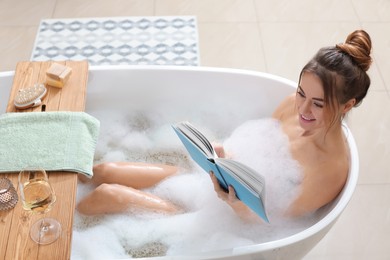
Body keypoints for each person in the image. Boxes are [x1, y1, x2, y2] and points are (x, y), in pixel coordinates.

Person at [77, 29, 372, 221]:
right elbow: (262, 139)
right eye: (301, 93)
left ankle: (57, 235)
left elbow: (270, 223)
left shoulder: (329, 170)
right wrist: (223, 159)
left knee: (108, 195)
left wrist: (230, 200)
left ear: (347, 106)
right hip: (210, 182)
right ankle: (59, 189)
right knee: (104, 171)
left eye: (318, 104)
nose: (303, 109)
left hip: (226, 216)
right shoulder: (290, 105)